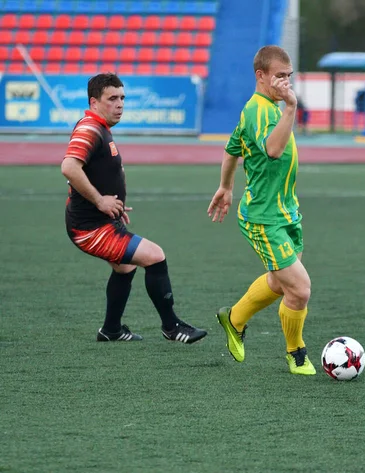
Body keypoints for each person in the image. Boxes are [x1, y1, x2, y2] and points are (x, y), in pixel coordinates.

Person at [61, 72, 207, 344]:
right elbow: (69, 167)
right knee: (155, 256)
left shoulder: (101, 127)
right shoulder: (90, 128)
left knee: (125, 268)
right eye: (112, 98)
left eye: (122, 98)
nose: (120, 104)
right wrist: (100, 201)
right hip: (89, 228)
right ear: (94, 102)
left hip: (100, 221)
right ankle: (172, 327)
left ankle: (111, 330)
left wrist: (112, 204)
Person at [207, 45, 315, 375]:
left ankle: (234, 319)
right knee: (299, 288)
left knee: (281, 282)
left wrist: (226, 187)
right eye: (280, 77)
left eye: (289, 77)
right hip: (263, 219)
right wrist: (291, 108)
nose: (286, 83)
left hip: (286, 214)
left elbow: (231, 149)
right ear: (261, 76)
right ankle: (296, 354)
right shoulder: (261, 110)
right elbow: (272, 149)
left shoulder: (264, 107)